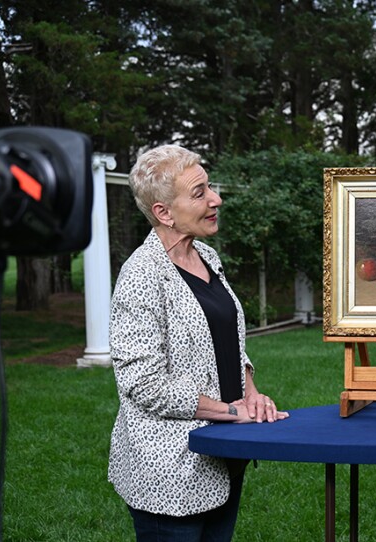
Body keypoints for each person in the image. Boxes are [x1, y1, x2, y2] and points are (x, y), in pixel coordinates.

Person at [108, 145, 289, 541]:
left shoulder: (206, 255)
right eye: (199, 193)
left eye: (210, 187)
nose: (215, 199)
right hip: (171, 471)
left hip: (225, 453)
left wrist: (252, 394)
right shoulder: (141, 276)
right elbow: (143, 384)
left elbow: (226, 338)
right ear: (164, 213)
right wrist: (228, 410)